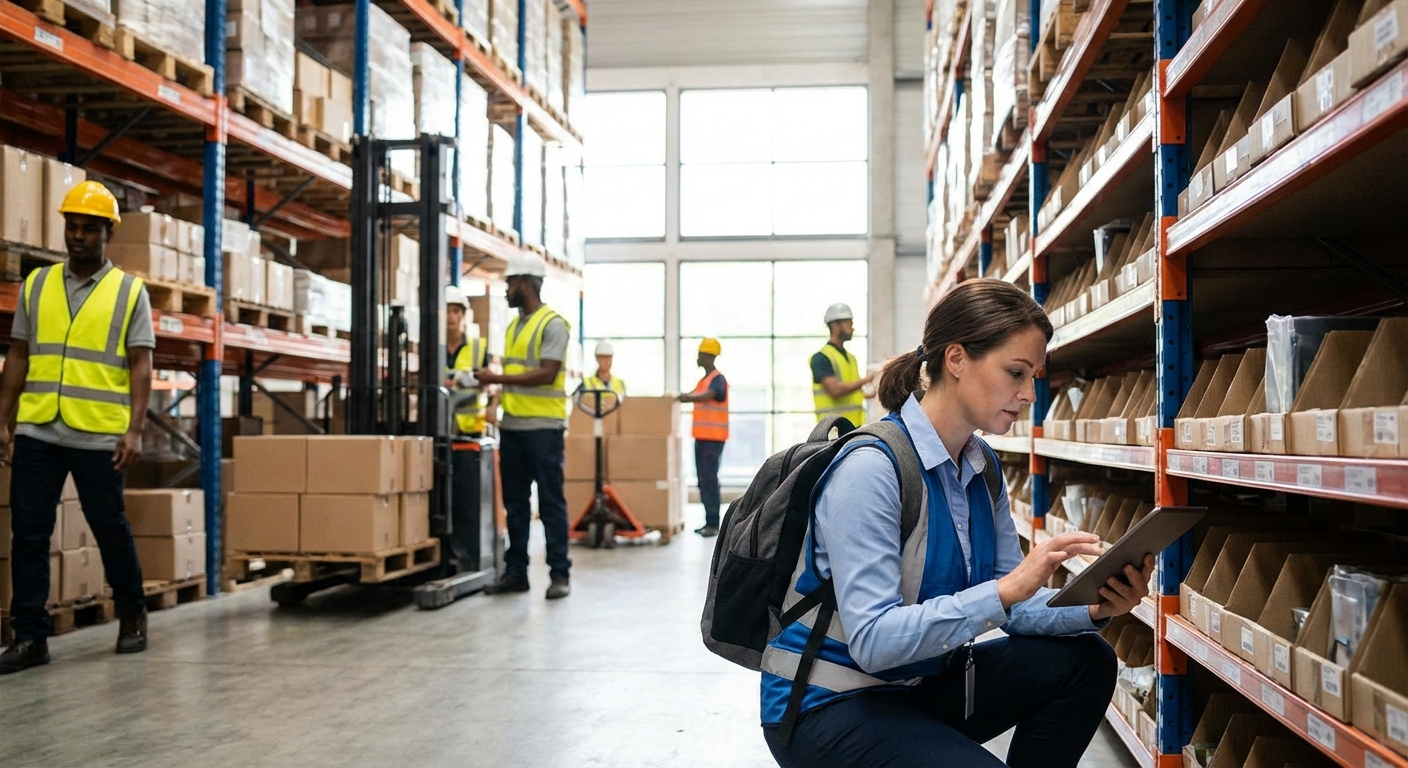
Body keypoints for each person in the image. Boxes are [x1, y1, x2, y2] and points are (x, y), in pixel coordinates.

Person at [761, 279, 1153, 768]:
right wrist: (1005, 592)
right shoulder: (872, 470)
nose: (1030, 393)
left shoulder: (979, 465)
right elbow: (873, 642)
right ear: (956, 359)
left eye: (1033, 376)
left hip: (919, 685)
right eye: (1016, 372)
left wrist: (1091, 608)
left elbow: (1015, 608)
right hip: (830, 703)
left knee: (1086, 659)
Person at [0, 181, 157, 674]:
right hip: (39, 430)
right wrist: (4, 420)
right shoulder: (37, 285)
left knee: (110, 528)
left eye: (90, 228)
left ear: (108, 232)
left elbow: (141, 365)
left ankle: (132, 615)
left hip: (98, 435)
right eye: (73, 227)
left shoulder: (130, 292)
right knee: (28, 534)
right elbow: (19, 355)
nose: (79, 236)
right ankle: (30, 637)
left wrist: (133, 431)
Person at [473, 253, 572, 600]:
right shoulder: (514, 326)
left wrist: (496, 377)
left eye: (510, 283)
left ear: (526, 284)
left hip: (544, 430)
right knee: (514, 504)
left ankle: (560, 575)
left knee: (550, 504)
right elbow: (515, 377)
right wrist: (493, 393)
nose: (506, 290)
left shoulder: (553, 324)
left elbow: (547, 372)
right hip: (513, 428)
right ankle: (516, 573)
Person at [679, 339, 727, 538]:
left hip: (712, 439)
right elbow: (696, 393)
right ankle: (709, 521)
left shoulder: (718, 379)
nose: (698, 358)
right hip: (702, 438)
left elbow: (713, 395)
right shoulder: (703, 380)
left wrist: (685, 398)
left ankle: (714, 523)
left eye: (701, 354)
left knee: (709, 480)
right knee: (703, 480)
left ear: (709, 356)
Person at [812, 302, 874, 427]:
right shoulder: (821, 358)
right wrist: (866, 380)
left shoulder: (851, 358)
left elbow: (850, 392)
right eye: (849, 323)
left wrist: (868, 394)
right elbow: (835, 390)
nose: (852, 328)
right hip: (832, 430)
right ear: (836, 325)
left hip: (854, 427)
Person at [445, 284, 492, 436]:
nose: (450, 316)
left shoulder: (478, 347)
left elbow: (489, 382)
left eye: (455, 311)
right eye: (446, 311)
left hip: (472, 428)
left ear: (463, 315)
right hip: (441, 424)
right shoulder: (432, 348)